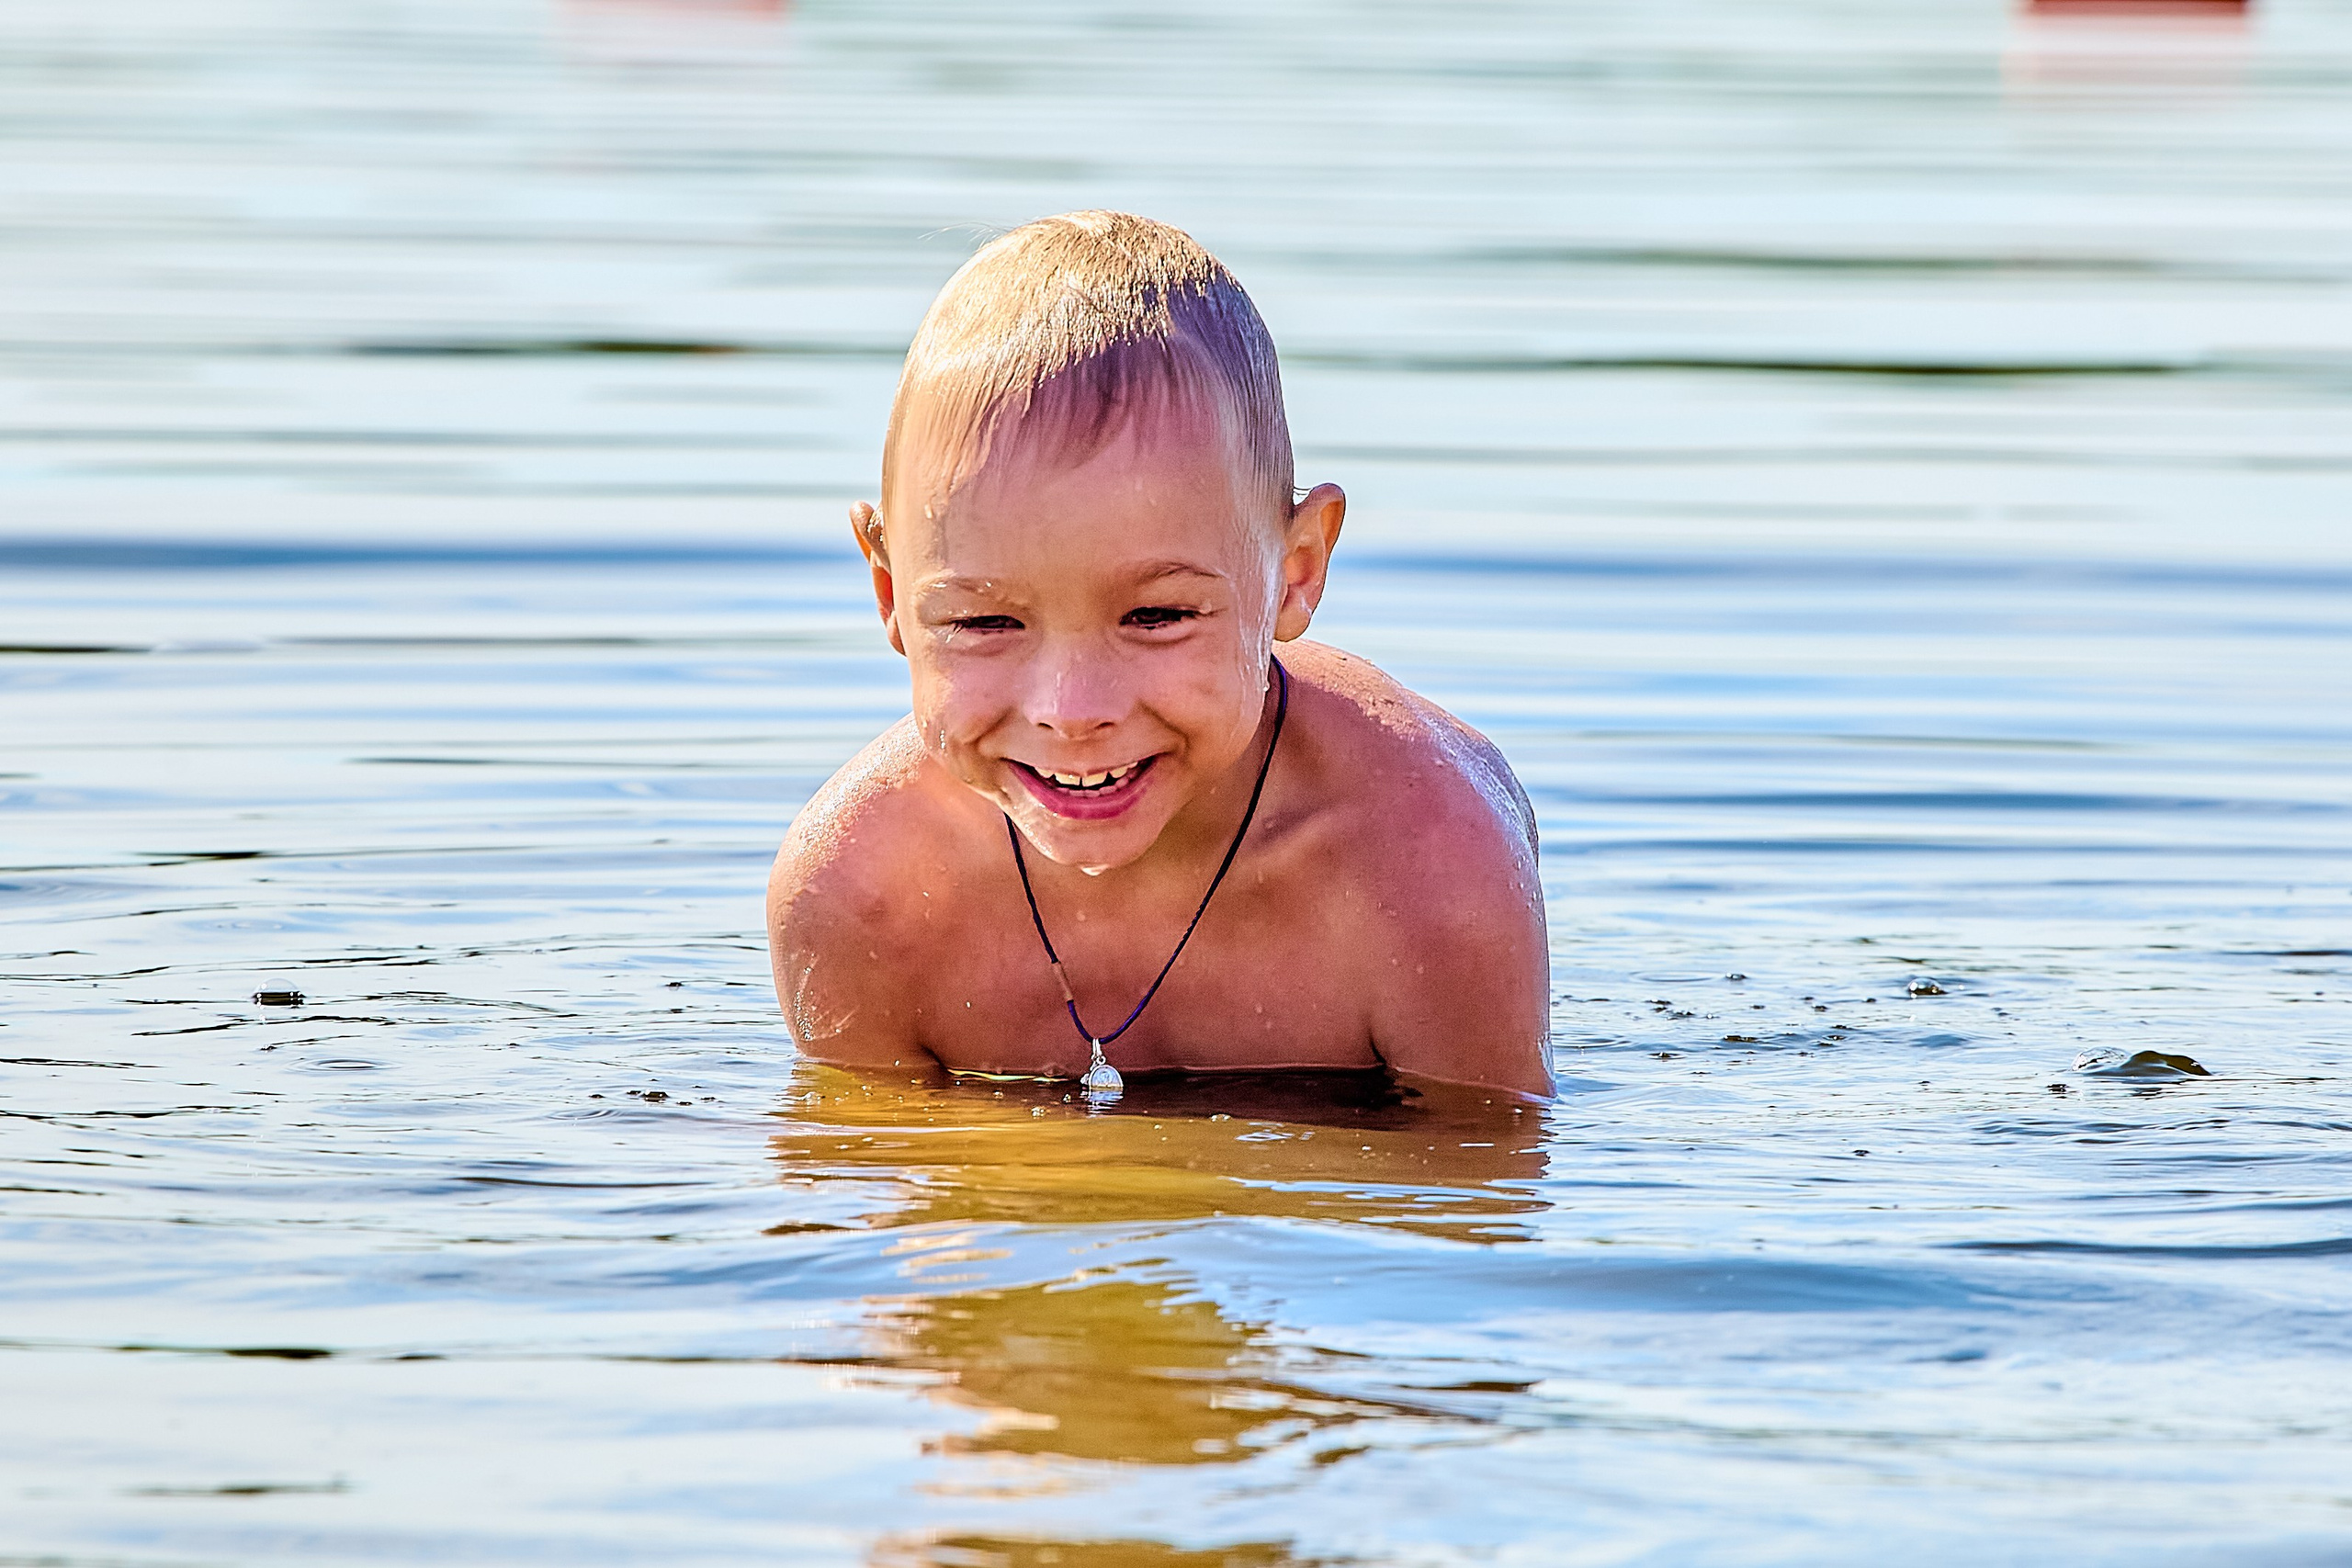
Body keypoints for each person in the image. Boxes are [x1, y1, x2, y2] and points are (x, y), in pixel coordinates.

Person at [766, 210, 1552, 1097]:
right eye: (984, 624)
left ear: (1295, 573)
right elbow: (890, 1181)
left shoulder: (1425, 872)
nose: (1071, 708)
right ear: (890, 596)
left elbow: (1476, 1196)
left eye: (1156, 615)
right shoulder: (858, 895)